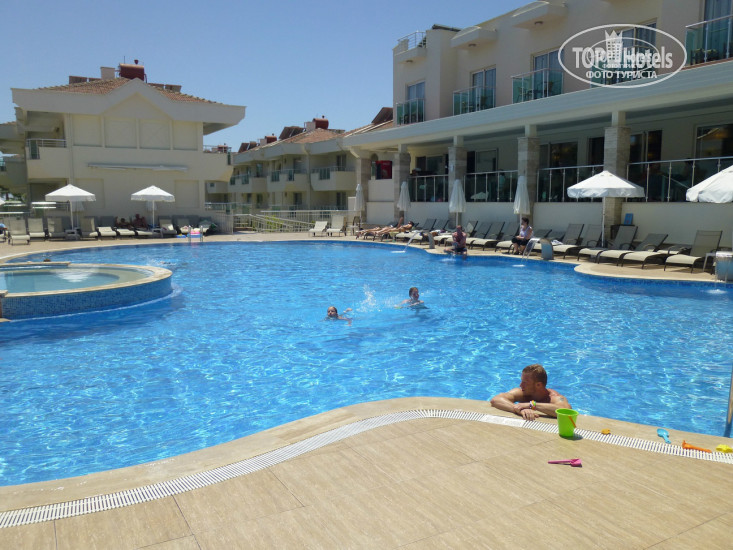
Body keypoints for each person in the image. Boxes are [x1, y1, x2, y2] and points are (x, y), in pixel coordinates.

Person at [489, 364, 570, 420]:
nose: (521, 385)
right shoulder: (522, 393)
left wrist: (531, 405)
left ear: (538, 385)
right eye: (521, 381)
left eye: (525, 382)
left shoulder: (554, 397)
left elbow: (567, 411)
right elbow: (495, 400)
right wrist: (519, 409)